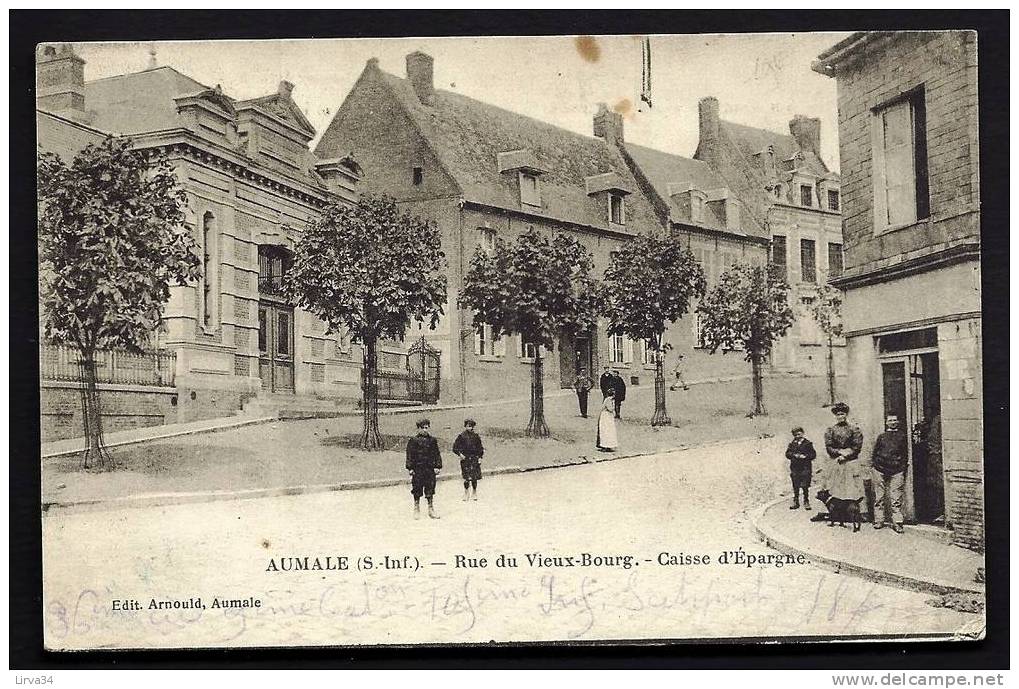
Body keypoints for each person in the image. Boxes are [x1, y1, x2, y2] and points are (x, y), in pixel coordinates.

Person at [823, 402, 865, 506]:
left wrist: (846, 455)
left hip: (850, 461)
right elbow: (829, 446)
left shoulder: (854, 429)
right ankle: (837, 512)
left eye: (842, 414)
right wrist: (838, 453)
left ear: (846, 415)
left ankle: (855, 512)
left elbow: (857, 446)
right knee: (835, 487)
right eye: (838, 414)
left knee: (852, 487)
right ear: (835, 416)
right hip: (836, 462)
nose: (840, 416)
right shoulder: (831, 430)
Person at [871, 414, 908, 533]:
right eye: (890, 420)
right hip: (880, 469)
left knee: (896, 498)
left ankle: (897, 522)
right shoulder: (881, 437)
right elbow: (875, 452)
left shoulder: (902, 436)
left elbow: (905, 454)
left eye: (894, 420)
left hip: (896, 470)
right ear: (886, 422)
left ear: (898, 422)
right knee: (879, 497)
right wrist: (876, 465)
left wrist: (901, 467)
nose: (892, 422)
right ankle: (879, 520)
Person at [406, 418, 442, 519]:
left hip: (429, 469)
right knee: (417, 488)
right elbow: (410, 455)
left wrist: (437, 466)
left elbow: (437, 454)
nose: (425, 430)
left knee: (430, 488)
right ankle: (416, 508)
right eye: (423, 428)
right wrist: (410, 468)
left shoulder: (432, 440)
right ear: (418, 429)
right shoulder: (413, 441)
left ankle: (431, 509)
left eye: (427, 428)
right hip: (418, 469)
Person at [785, 426, 817, 510]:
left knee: (805, 485)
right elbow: (787, 454)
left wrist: (805, 456)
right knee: (795, 484)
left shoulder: (808, 443)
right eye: (795, 435)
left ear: (802, 433)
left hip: (805, 467)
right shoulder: (792, 444)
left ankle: (806, 500)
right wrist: (794, 455)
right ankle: (796, 501)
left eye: (799, 434)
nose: (797, 436)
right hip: (795, 467)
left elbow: (813, 455)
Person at [453, 418, 484, 502]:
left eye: (471, 426)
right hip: (465, 459)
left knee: (474, 477)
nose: (470, 428)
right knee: (466, 478)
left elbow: (480, 448)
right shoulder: (461, 436)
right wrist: (460, 454)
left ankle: (474, 492)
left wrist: (480, 457)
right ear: (465, 426)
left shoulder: (476, 436)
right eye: (468, 426)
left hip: (474, 459)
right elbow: (455, 448)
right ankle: (466, 492)